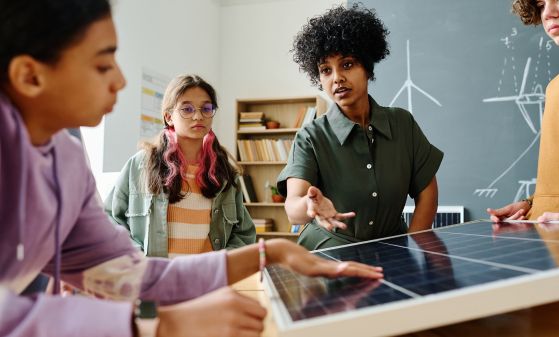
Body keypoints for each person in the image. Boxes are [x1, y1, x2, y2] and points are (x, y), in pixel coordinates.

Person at [0, 1, 384, 336]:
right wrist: (159, 326)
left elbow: (133, 275)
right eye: (102, 65)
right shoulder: (133, 166)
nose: (120, 80)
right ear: (30, 76)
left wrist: (272, 252)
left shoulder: (67, 163)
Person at [277, 4, 443, 250]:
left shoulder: (402, 124)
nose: (337, 78)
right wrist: (310, 206)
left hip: (393, 250)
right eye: (325, 70)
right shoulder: (310, 137)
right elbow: (293, 207)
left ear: (367, 67)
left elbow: (427, 191)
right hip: (330, 253)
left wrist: (412, 244)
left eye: (347, 64)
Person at [105, 74, 255, 258]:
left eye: (206, 108)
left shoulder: (223, 173)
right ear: (169, 117)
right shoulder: (140, 165)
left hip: (208, 280)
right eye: (187, 109)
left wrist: (223, 262)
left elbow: (245, 233)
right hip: (156, 280)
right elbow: (109, 221)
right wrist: (137, 259)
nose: (198, 116)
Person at [487, 0, 559, 223]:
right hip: (551, 243)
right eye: (541, 5)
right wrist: (533, 203)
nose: (548, 13)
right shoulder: (555, 87)